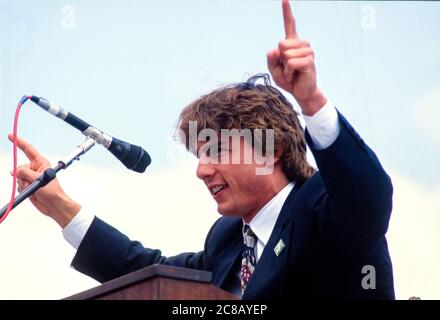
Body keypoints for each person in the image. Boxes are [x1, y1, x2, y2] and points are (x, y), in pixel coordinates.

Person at [10, 0, 394, 299]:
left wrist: (310, 101)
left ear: (270, 148)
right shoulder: (227, 240)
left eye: (217, 152)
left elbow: (369, 197)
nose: (202, 170)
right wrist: (61, 208)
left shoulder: (325, 210)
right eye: (199, 156)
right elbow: (151, 272)